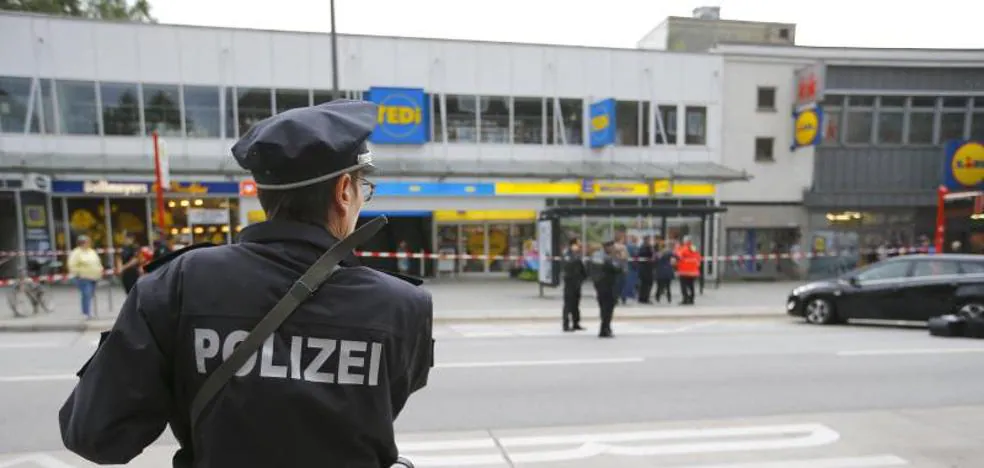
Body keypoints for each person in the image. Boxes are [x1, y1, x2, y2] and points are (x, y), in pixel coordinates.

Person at [58, 100, 434, 468]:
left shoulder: (179, 283)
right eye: (362, 190)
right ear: (343, 192)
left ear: (261, 193)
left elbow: (96, 436)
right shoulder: (402, 304)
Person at [589, 240, 625, 338]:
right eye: (612, 247)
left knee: (603, 308)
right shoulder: (608, 258)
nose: (613, 249)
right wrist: (620, 259)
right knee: (607, 309)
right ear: (607, 247)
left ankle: (606, 327)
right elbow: (617, 269)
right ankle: (604, 329)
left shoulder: (596, 255)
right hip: (608, 286)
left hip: (600, 285)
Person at [66, 235, 103, 319]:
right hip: (83, 278)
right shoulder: (76, 252)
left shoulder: (91, 251)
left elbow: (97, 262)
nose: (89, 243)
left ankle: (87, 312)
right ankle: (85, 313)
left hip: (94, 277)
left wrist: (100, 269)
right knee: (86, 294)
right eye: (87, 242)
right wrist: (78, 274)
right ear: (82, 243)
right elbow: (71, 265)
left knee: (89, 295)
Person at [561, 238, 587, 332]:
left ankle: (576, 323)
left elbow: (582, 268)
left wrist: (583, 278)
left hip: (577, 282)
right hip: (569, 282)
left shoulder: (577, 254)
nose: (579, 245)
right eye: (578, 243)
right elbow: (568, 265)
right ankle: (566, 325)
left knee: (576, 304)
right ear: (573, 244)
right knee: (568, 304)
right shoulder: (567, 253)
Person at [675, 236, 702, 305]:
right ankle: (691, 299)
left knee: (683, 286)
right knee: (691, 286)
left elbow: (678, 256)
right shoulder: (693, 248)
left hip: (684, 271)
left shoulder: (683, 248)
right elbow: (698, 258)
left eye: (684, 240)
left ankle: (685, 299)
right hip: (693, 271)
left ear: (685, 241)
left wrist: (676, 248)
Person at [654, 240, 676, 304]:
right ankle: (669, 298)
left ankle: (657, 297)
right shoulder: (669, 252)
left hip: (660, 272)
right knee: (668, 286)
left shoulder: (658, 253)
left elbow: (654, 261)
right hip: (668, 271)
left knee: (659, 286)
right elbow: (676, 257)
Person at [636, 236, 655, 304]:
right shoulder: (646, 247)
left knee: (643, 284)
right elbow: (650, 256)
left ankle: (642, 298)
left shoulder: (641, 247)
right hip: (647, 269)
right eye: (649, 240)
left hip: (643, 268)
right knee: (647, 284)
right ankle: (645, 298)